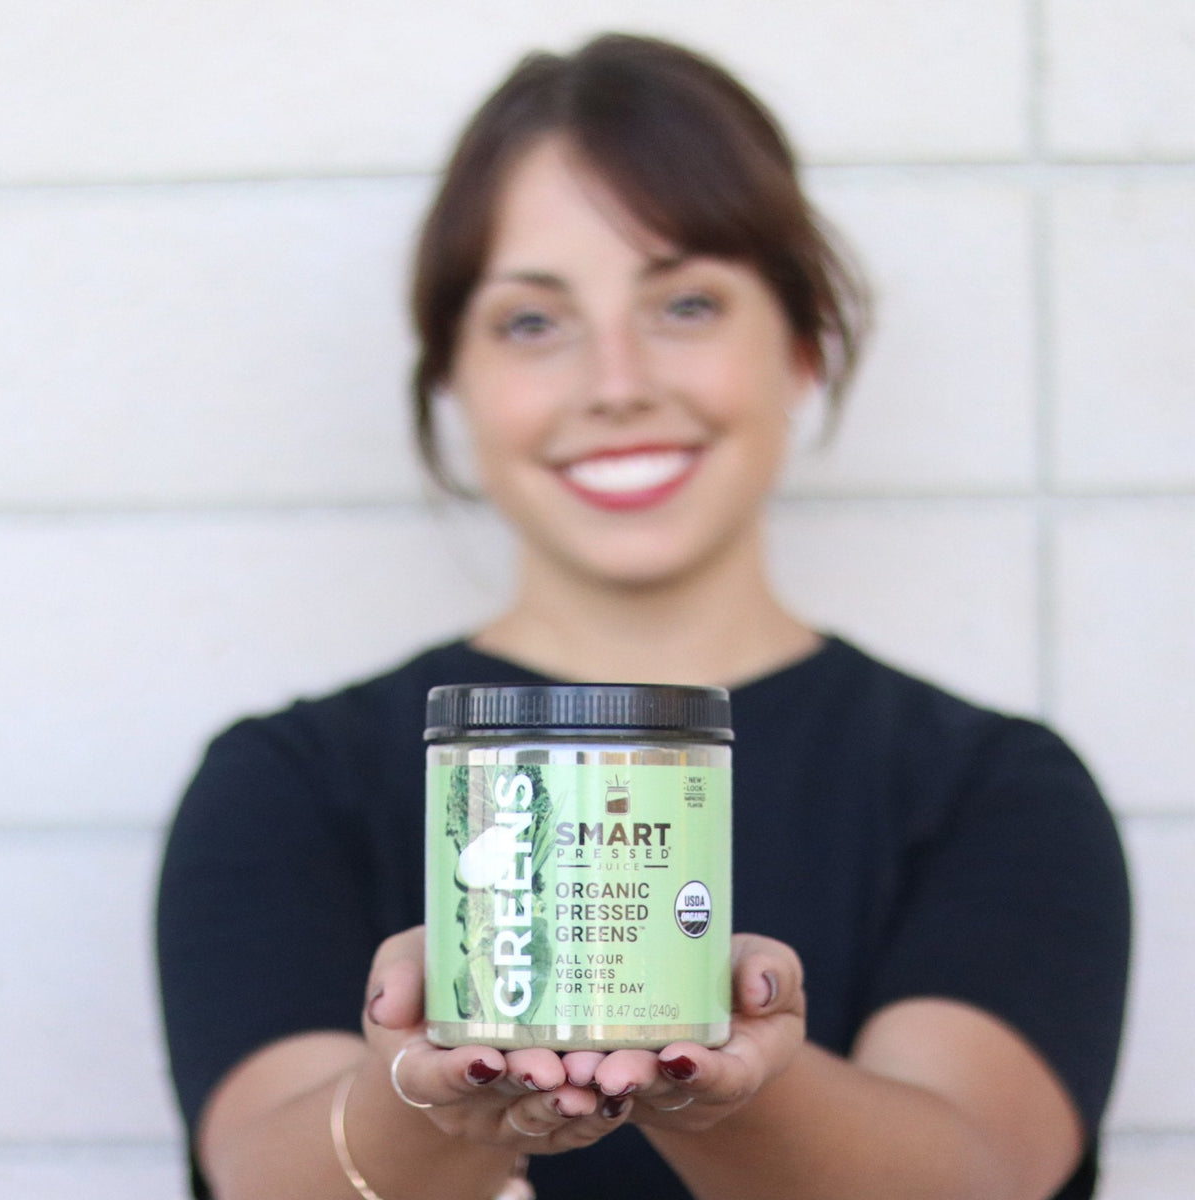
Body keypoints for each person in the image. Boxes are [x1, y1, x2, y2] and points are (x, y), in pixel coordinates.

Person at [155, 32, 1130, 1200]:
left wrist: (723, 1076)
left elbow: (979, 1175)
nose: (616, 383)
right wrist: (428, 1094)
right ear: (454, 376)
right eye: (532, 321)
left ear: (802, 346)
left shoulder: (991, 789)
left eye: (687, 303)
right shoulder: (288, 785)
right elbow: (259, 1173)